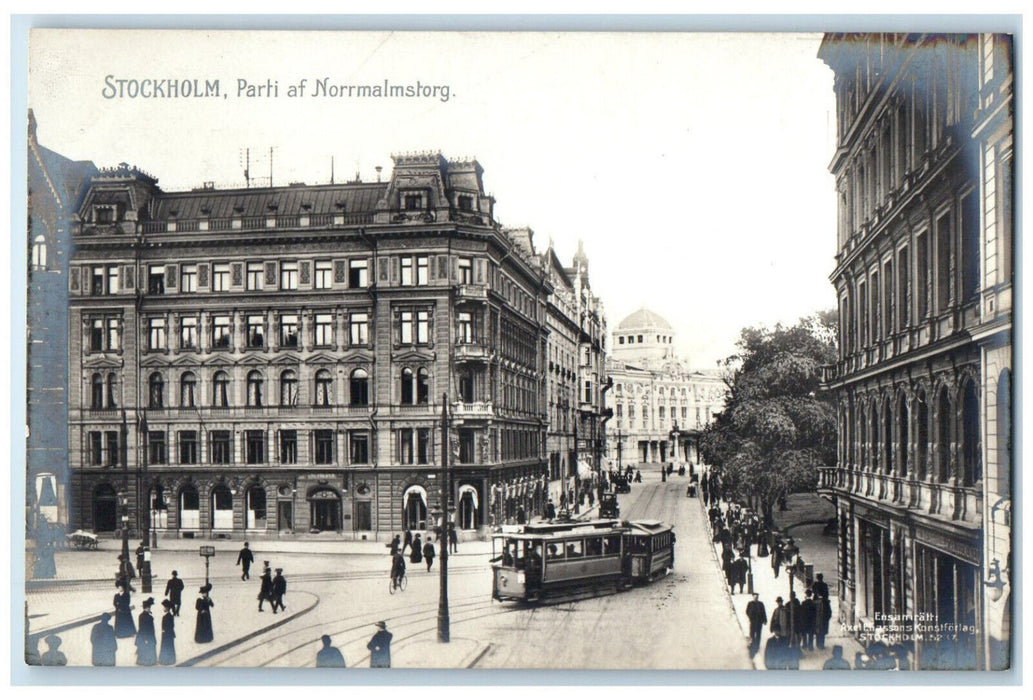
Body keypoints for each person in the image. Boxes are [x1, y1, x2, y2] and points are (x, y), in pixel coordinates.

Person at [135, 597, 157, 666]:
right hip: (146, 636)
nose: (149, 609)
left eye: (149, 607)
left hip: (148, 635)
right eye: (148, 607)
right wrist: (145, 638)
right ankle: (147, 661)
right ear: (145, 608)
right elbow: (143, 628)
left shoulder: (145, 615)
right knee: (147, 648)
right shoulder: (144, 616)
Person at [158, 599, 176, 666]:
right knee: (168, 646)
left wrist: (165, 630)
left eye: (164, 607)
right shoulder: (169, 616)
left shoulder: (167, 616)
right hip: (167, 634)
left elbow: (171, 625)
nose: (163, 608)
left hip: (167, 634)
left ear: (167, 608)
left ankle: (167, 660)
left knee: (166, 646)